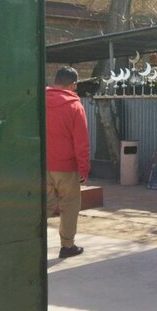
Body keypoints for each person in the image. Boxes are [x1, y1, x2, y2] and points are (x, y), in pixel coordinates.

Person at [46, 66, 90, 258]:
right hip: (66, 167)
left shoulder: (38, 101)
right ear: (73, 85)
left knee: (43, 205)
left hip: (42, 165)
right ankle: (67, 246)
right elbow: (81, 142)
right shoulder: (74, 106)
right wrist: (83, 169)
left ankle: (30, 242)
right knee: (70, 205)